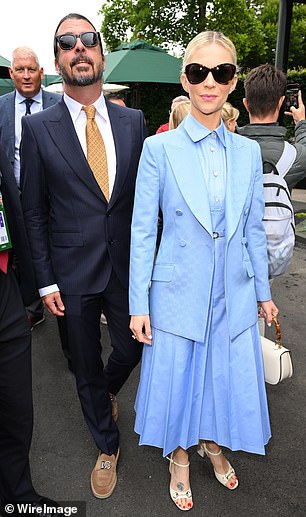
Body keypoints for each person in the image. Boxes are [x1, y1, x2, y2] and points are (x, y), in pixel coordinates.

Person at [129, 31, 278, 512]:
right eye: (199, 72)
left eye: (222, 72)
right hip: (176, 291)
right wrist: (137, 304)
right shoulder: (160, 150)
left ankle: (211, 443)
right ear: (185, 79)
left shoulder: (248, 153)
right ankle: (178, 457)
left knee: (219, 377)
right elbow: (141, 232)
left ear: (233, 82)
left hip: (231, 292)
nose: (210, 82)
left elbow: (254, 228)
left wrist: (264, 291)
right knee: (178, 378)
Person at [20, 12, 146, 500]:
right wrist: (46, 281)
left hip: (128, 269)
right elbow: (32, 212)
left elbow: (144, 201)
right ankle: (106, 443)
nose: (79, 48)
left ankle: (106, 395)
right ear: (58, 60)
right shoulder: (40, 129)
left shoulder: (133, 122)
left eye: (87, 40)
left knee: (134, 347)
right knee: (85, 365)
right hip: (71, 274)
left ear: (101, 53)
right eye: (67, 43)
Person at [0, 146, 57, 517]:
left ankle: (18, 495)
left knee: (17, 407)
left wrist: (29, 287)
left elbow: (14, 208)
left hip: (4, 288)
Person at [237, 63, 306, 191]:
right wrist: (301, 122)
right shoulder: (293, 156)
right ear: (280, 102)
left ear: (246, 104)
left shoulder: (228, 149)